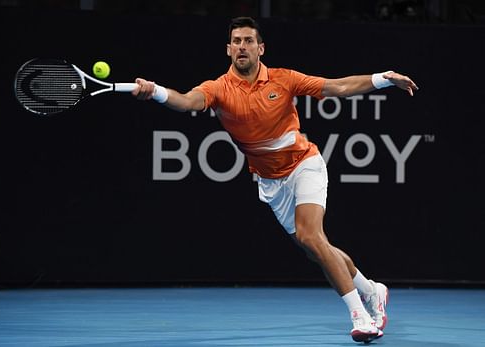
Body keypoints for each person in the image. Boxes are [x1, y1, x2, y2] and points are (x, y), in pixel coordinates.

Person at [132, 16, 418, 343]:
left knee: (312, 237)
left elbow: (336, 86)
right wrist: (154, 92)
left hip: (304, 164)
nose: (242, 46)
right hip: (271, 183)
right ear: (228, 50)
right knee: (316, 249)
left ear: (260, 48)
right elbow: (186, 102)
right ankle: (371, 290)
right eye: (236, 41)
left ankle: (360, 316)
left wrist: (382, 78)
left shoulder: (284, 79)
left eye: (249, 41)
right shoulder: (218, 89)